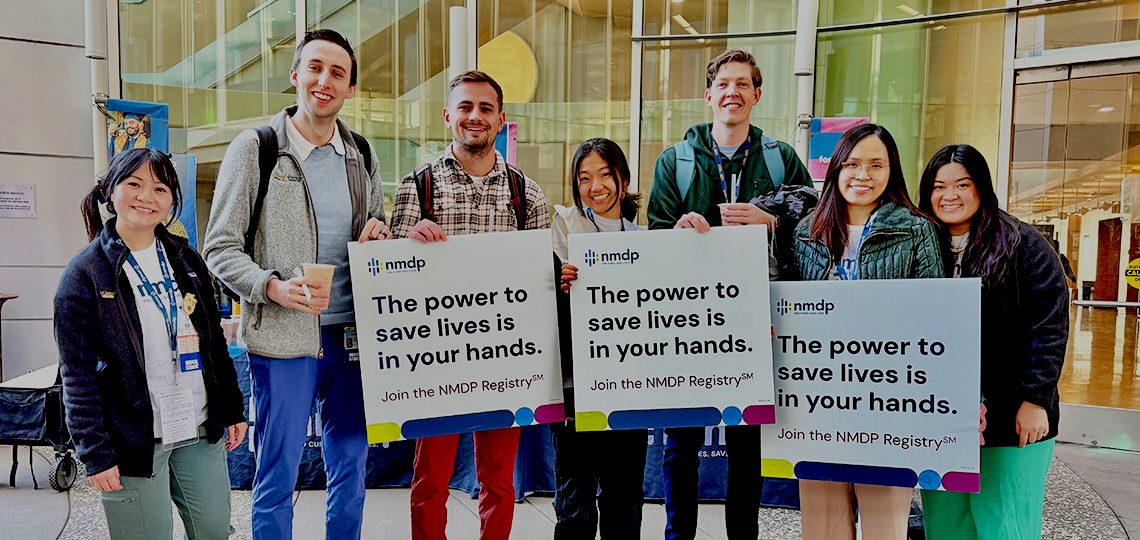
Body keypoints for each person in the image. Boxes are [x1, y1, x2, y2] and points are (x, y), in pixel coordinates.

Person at [202, 29, 390, 540]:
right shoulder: (256, 149)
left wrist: (379, 233)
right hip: (284, 338)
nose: (324, 81)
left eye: (338, 73)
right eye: (315, 68)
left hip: (350, 337)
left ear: (350, 88)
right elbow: (218, 248)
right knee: (278, 470)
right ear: (295, 75)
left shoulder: (362, 155)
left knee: (351, 468)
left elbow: (372, 226)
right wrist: (272, 288)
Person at [646, 48, 812, 540]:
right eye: (723, 84)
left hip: (756, 318)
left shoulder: (780, 159)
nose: (732, 93)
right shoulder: (675, 161)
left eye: (742, 84)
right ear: (709, 95)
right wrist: (677, 228)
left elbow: (813, 228)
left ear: (756, 95)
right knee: (680, 441)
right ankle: (679, 537)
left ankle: (744, 535)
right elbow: (654, 235)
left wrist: (773, 221)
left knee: (746, 443)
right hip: (690, 322)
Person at [54, 148, 247, 539]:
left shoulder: (187, 260)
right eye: (134, 184)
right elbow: (77, 378)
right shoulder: (85, 274)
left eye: (160, 188)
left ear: (172, 200)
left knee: (214, 531)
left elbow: (213, 346)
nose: (147, 196)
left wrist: (231, 408)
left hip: (197, 424)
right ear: (110, 191)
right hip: (132, 438)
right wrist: (95, 454)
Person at [390, 70, 550, 540]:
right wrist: (405, 245)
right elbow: (390, 286)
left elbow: (539, 279)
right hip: (437, 360)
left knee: (499, 481)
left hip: (504, 358)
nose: (474, 117)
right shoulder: (416, 187)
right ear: (448, 116)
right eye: (465, 107)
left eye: (485, 109)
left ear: (501, 119)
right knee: (429, 482)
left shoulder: (527, 193)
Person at [791, 123, 943, 540]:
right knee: (822, 525)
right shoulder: (806, 232)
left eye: (876, 165)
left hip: (890, 397)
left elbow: (938, 317)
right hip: (819, 399)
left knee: (884, 524)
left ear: (891, 170)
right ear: (836, 168)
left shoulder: (916, 229)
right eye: (853, 164)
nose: (863, 175)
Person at [917, 144, 1068, 539]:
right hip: (943, 417)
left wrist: (1036, 399)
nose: (949, 196)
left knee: (1005, 524)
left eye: (961, 184)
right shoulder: (922, 244)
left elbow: (1049, 326)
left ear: (981, 187)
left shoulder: (1024, 244)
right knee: (947, 525)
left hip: (1012, 417)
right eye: (938, 187)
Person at [552, 138, 648, 539]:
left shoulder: (646, 237)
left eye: (605, 175)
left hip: (629, 385)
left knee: (624, 497)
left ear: (622, 179)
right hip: (575, 386)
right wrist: (557, 283)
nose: (596, 187)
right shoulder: (560, 228)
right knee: (574, 499)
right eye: (584, 178)